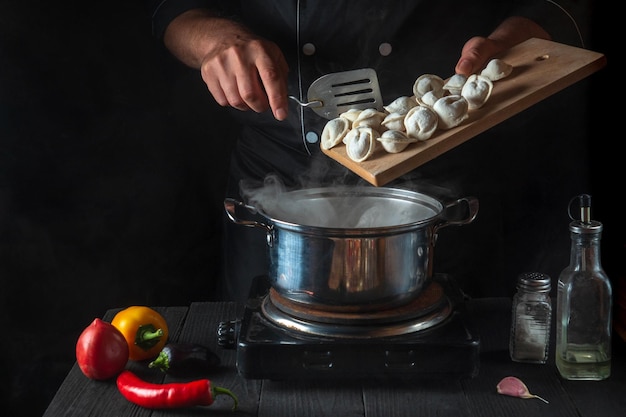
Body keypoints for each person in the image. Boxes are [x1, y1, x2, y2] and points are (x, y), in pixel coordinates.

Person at [146, 1, 590, 304]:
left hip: (443, 187)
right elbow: (171, 7)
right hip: (276, 189)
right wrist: (214, 42)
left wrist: (520, 40)